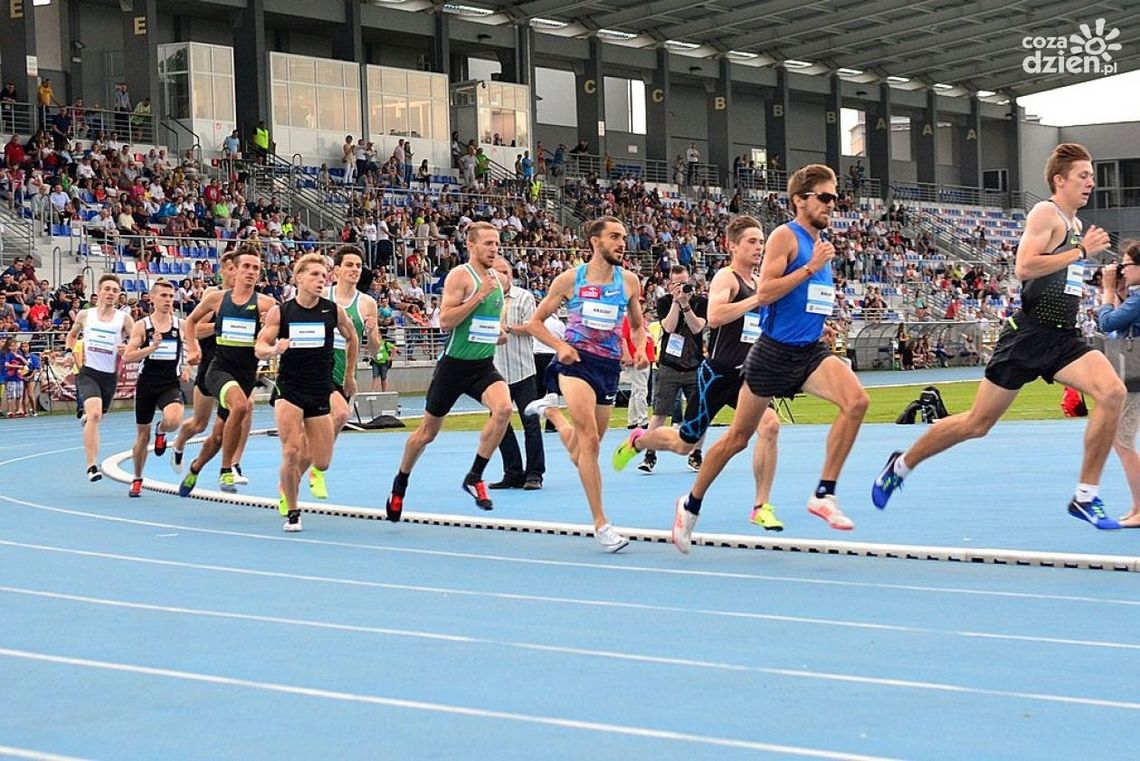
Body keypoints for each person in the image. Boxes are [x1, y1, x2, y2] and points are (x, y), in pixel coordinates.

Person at [873, 143, 1126, 530]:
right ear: (1060, 180)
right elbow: (1024, 267)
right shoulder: (1048, 213)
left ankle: (1085, 496)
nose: (1091, 182)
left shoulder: (1075, 226)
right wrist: (1080, 253)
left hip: (1063, 338)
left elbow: (1060, 278)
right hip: (1027, 337)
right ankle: (901, 464)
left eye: (1092, 176)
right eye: (1084, 176)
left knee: (1112, 392)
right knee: (976, 423)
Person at [668, 165, 868, 554]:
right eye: (824, 197)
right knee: (736, 440)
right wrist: (810, 268)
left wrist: (818, 322)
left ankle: (824, 493)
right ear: (800, 200)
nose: (832, 204)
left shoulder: (822, 245)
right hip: (773, 355)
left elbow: (809, 299)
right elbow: (768, 291)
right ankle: (690, 504)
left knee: (857, 401)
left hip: (809, 351)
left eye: (835, 198)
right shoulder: (785, 237)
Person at [613, 216, 784, 530]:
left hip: (750, 374)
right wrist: (756, 300)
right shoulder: (727, 278)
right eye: (751, 241)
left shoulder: (762, 282)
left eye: (761, 241)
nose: (759, 247)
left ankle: (761, 506)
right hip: (717, 375)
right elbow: (716, 317)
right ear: (731, 245)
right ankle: (639, 441)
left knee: (770, 426)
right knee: (684, 444)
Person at [524, 216, 649, 553]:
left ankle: (552, 413)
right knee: (590, 441)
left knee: (583, 453)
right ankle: (601, 524)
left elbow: (637, 326)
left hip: (608, 369)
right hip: (575, 363)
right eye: (614, 236)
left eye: (624, 236)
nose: (622, 243)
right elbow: (534, 323)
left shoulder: (630, 282)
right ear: (595, 241)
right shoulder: (570, 280)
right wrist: (561, 346)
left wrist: (638, 349)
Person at [385, 222, 513, 521]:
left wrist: (498, 330)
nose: (494, 249)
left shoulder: (497, 279)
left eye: (497, 243)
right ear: (471, 245)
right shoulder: (461, 276)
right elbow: (445, 320)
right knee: (427, 433)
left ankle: (475, 475)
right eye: (488, 244)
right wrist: (478, 296)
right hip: (453, 367)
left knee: (504, 409)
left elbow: (487, 321)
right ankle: (400, 483)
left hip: (482, 365)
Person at [256, 254, 359, 531]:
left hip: (321, 388)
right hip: (290, 388)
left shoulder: (333, 310)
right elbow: (260, 347)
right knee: (291, 450)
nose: (321, 280)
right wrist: (274, 350)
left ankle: (301, 478)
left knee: (322, 461)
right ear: (298, 278)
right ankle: (292, 509)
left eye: (324, 276)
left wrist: (349, 374)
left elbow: (352, 337)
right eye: (314, 275)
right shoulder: (282, 312)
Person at [180, 248, 277, 495]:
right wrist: (192, 349)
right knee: (242, 407)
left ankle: (195, 467)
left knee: (218, 436)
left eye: (256, 268)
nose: (251, 272)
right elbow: (190, 322)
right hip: (219, 369)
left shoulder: (267, 304)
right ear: (235, 270)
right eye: (246, 266)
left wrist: (268, 331)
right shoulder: (217, 299)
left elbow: (275, 335)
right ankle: (227, 471)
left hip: (246, 374)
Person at [170, 251, 252, 483]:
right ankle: (179, 442)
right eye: (232, 268)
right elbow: (193, 327)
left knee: (246, 408)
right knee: (199, 423)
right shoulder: (213, 296)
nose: (237, 273)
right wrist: (222, 326)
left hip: (237, 369)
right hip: (211, 368)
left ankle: (234, 463)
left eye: (241, 268)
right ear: (224, 271)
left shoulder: (252, 299)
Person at [308, 245, 375, 499]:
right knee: (341, 413)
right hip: (316, 370)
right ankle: (318, 468)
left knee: (332, 422)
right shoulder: (322, 294)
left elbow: (375, 348)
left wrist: (372, 332)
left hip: (343, 373)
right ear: (336, 270)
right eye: (349, 265)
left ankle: (312, 467)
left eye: (358, 266)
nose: (355, 270)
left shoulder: (367, 303)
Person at [637, 264, 707, 473]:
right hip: (669, 365)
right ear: (669, 285)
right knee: (660, 413)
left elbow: (697, 327)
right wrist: (677, 303)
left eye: (685, 284)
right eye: (677, 284)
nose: (682, 288)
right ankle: (650, 455)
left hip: (694, 365)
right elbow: (668, 327)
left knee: (699, 412)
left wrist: (686, 305)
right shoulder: (664, 302)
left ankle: (696, 454)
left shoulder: (701, 302)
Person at [122, 280, 188, 497]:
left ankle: (162, 430)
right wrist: (151, 347)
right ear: (152, 298)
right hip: (146, 385)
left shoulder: (180, 325)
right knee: (142, 436)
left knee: (175, 419)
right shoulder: (143, 326)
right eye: (163, 296)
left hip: (169, 383)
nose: (168, 300)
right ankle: (138, 477)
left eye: (171, 296)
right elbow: (128, 356)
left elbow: (188, 347)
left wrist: (187, 366)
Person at [67, 274, 134, 481]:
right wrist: (70, 353)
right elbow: (71, 335)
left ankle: (88, 416)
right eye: (107, 289)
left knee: (97, 416)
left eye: (115, 290)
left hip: (109, 377)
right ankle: (91, 466)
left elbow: (136, 341)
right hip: (88, 372)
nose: (111, 294)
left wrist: (128, 348)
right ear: (99, 292)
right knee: (95, 415)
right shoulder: (86, 315)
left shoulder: (124, 319)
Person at [488, 257, 545, 490]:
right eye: (497, 272)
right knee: (499, 423)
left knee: (530, 423)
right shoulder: (486, 298)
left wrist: (508, 329)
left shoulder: (524, 297)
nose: (503, 276)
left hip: (522, 370)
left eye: (506, 271)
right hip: (495, 371)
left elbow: (532, 326)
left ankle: (534, 474)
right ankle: (512, 472)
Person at [1099, 241, 1140, 528]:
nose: (1122, 270)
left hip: (1136, 376)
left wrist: (1108, 290)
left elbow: (1108, 323)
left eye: (1126, 265)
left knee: (1122, 441)